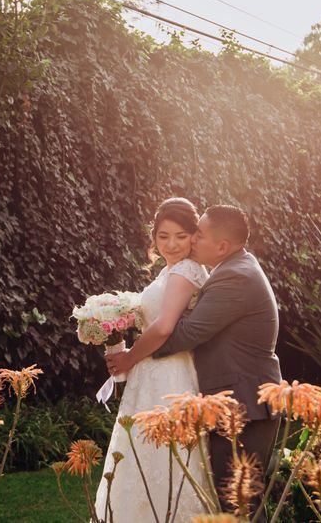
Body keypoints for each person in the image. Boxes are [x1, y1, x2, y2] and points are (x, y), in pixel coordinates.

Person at [107, 204, 282, 517]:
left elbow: (187, 332)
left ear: (222, 246)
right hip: (234, 399)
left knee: (239, 499)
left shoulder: (236, 277)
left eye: (198, 235)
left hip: (245, 403)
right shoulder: (232, 267)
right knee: (231, 496)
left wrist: (134, 356)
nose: (192, 241)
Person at [93, 197, 209, 522]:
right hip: (150, 370)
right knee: (139, 453)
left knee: (164, 453)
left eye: (180, 236)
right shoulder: (168, 270)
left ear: (194, 236)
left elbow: (164, 327)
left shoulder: (188, 270)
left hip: (170, 371)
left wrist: (129, 357)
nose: (171, 244)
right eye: (163, 236)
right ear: (154, 237)